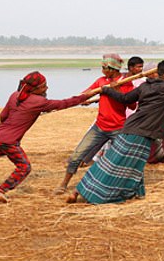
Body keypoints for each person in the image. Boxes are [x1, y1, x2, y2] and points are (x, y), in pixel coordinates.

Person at [66, 49, 164, 205]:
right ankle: (97, 194)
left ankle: (79, 190)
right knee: (119, 164)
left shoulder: (145, 86)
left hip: (130, 128)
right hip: (141, 133)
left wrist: (109, 90)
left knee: (112, 161)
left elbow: (125, 98)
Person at [0, 72, 87, 203]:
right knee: (24, 167)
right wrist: (86, 96)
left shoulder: (15, 95)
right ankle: (0, 191)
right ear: (35, 89)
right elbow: (65, 103)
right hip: (9, 142)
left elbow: (3, 116)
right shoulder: (40, 102)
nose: (47, 88)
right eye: (44, 86)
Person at [55, 54, 135, 193]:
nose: (102, 70)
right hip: (99, 127)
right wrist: (79, 99)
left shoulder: (126, 83)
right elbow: (87, 93)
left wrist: (116, 90)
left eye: (104, 68)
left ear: (113, 69)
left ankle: (122, 186)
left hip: (118, 128)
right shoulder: (101, 81)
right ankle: (64, 184)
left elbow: (132, 105)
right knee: (77, 156)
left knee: (120, 159)